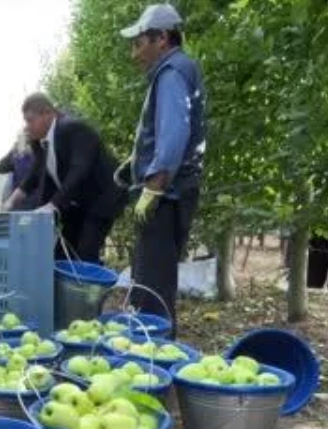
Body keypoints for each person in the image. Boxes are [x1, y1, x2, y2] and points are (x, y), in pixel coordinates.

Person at [117, 4, 206, 336]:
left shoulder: (171, 73)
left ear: (163, 39)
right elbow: (168, 133)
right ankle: (151, 348)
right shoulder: (178, 71)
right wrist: (135, 164)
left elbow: (174, 134)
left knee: (152, 288)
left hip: (166, 196)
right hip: (172, 192)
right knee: (154, 280)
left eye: (139, 43)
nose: (134, 53)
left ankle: (153, 358)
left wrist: (152, 186)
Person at [4, 93, 124, 262]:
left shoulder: (74, 129)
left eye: (30, 120)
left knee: (85, 253)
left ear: (48, 113)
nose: (27, 127)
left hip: (102, 199)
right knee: (61, 254)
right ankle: (66, 287)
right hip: (78, 202)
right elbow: (37, 172)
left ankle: (89, 287)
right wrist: (14, 198)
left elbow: (79, 170)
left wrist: (52, 205)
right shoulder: (41, 141)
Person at [0, 130, 38, 211]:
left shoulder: (40, 150)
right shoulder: (16, 154)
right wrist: (13, 149)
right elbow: (0, 168)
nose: (26, 137)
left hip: (37, 201)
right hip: (18, 202)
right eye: (24, 135)